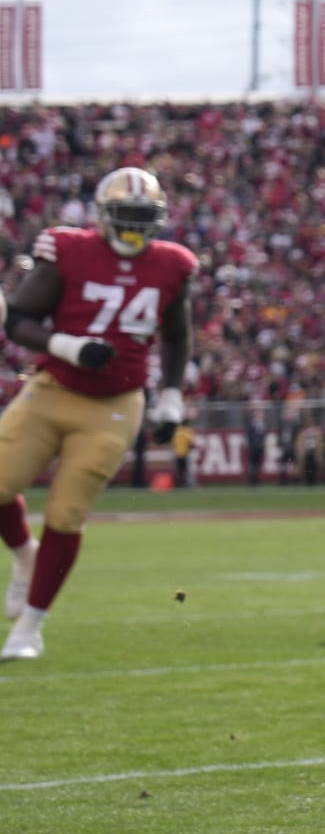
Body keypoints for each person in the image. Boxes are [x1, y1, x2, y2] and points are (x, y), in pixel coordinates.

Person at [0, 167, 195, 659]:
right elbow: (18, 319)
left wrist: (171, 396)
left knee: (67, 514)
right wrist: (66, 345)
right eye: (123, 216)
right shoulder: (69, 249)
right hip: (52, 389)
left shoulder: (173, 264)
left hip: (114, 404)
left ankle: (30, 628)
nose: (132, 227)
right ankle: (26, 556)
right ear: (102, 216)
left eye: (141, 217)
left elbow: (175, 334)